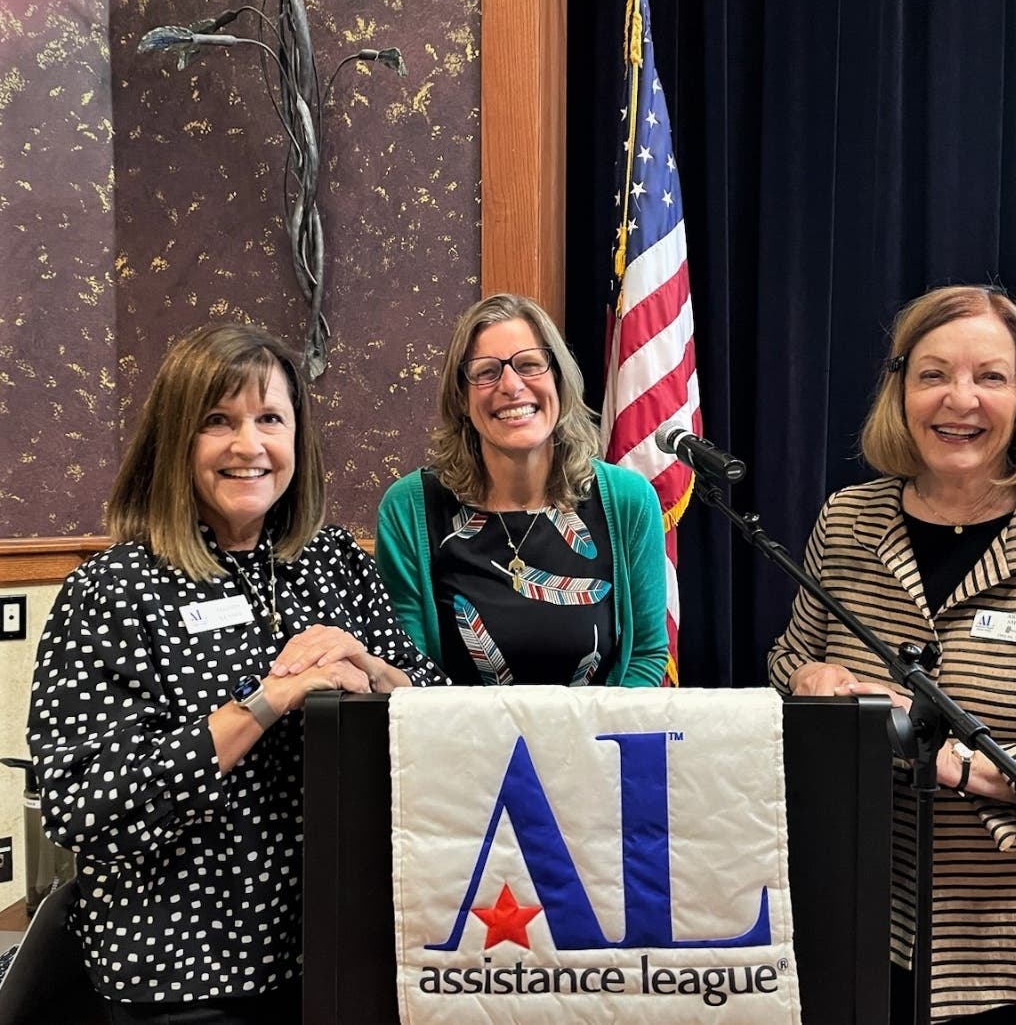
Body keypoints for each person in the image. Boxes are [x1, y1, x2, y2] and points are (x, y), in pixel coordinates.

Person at [768, 285, 1016, 1024]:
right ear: (901, 391)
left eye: (990, 376)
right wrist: (808, 678)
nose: (960, 400)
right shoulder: (848, 520)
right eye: (933, 374)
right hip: (865, 922)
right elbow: (787, 664)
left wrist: (955, 762)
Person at [27, 323, 446, 1023]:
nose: (248, 446)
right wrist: (266, 702)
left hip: (342, 952)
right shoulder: (113, 590)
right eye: (217, 421)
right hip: (183, 976)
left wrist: (373, 669)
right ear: (174, 440)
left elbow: (440, 713)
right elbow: (85, 811)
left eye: (269, 419)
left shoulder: (334, 562)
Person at [376, 292, 668, 687]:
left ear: (558, 380)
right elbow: (412, 666)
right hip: (457, 729)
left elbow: (646, 656)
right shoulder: (410, 509)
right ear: (461, 398)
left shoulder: (628, 501)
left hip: (599, 728)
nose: (512, 386)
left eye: (529, 365)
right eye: (486, 372)